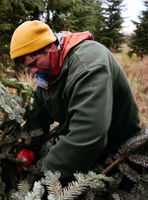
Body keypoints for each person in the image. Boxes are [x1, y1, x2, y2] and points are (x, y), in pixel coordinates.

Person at [10, 20, 141, 180]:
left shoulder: (88, 64)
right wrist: (28, 147)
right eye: (28, 67)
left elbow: (89, 132)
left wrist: (47, 179)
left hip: (122, 154)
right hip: (92, 153)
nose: (33, 72)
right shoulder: (50, 71)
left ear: (50, 47)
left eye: (34, 63)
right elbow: (40, 112)